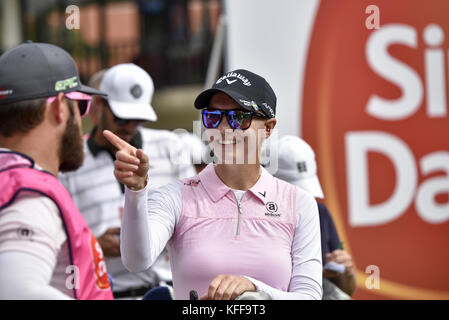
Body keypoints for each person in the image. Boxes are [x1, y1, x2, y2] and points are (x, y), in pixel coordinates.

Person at [103, 69, 323, 300]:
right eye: (213, 117)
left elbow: (309, 297)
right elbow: (136, 261)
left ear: (268, 128)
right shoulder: (174, 196)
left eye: (239, 118)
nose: (223, 129)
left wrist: (254, 290)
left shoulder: (299, 202)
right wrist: (136, 190)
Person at [59, 63, 196, 299]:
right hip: (111, 292)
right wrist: (95, 246)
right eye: (122, 118)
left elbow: (196, 212)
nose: (130, 127)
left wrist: (164, 233)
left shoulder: (170, 146)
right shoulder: (70, 162)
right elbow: (57, 238)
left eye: (138, 119)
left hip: (172, 289)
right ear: (98, 106)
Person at [0, 41, 113, 299]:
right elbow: (16, 291)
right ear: (59, 107)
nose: (83, 116)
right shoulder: (29, 195)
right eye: (82, 104)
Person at [270, 135, 357, 298]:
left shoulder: (320, 213)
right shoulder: (249, 216)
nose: (302, 201)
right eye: (293, 191)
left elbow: (346, 290)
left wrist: (345, 272)